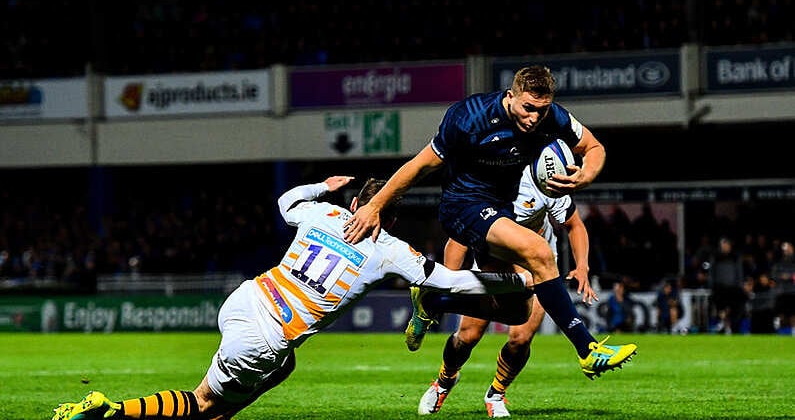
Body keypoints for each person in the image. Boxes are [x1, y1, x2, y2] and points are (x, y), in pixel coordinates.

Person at [51, 176, 537, 420]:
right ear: (390, 215)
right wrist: (515, 283)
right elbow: (448, 283)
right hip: (269, 333)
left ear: (354, 203)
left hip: (246, 298)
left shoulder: (323, 214)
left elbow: (286, 204)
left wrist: (321, 185)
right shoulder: (390, 249)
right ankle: (110, 410)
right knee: (203, 406)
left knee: (283, 370)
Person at [343, 65, 637, 380]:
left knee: (516, 310)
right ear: (510, 96)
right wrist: (375, 205)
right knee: (539, 251)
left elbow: (594, 147)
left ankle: (433, 299)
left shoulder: (554, 117)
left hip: (499, 209)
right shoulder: (469, 118)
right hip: (462, 206)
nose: (534, 117)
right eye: (528, 108)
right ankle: (587, 349)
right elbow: (419, 166)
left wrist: (585, 175)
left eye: (541, 110)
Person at [415, 164, 597, 417]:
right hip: (493, 268)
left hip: (539, 272)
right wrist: (448, 283)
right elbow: (458, 239)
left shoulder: (543, 180)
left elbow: (574, 224)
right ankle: (445, 381)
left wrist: (583, 266)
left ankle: (497, 393)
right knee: (467, 336)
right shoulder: (487, 183)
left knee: (521, 338)